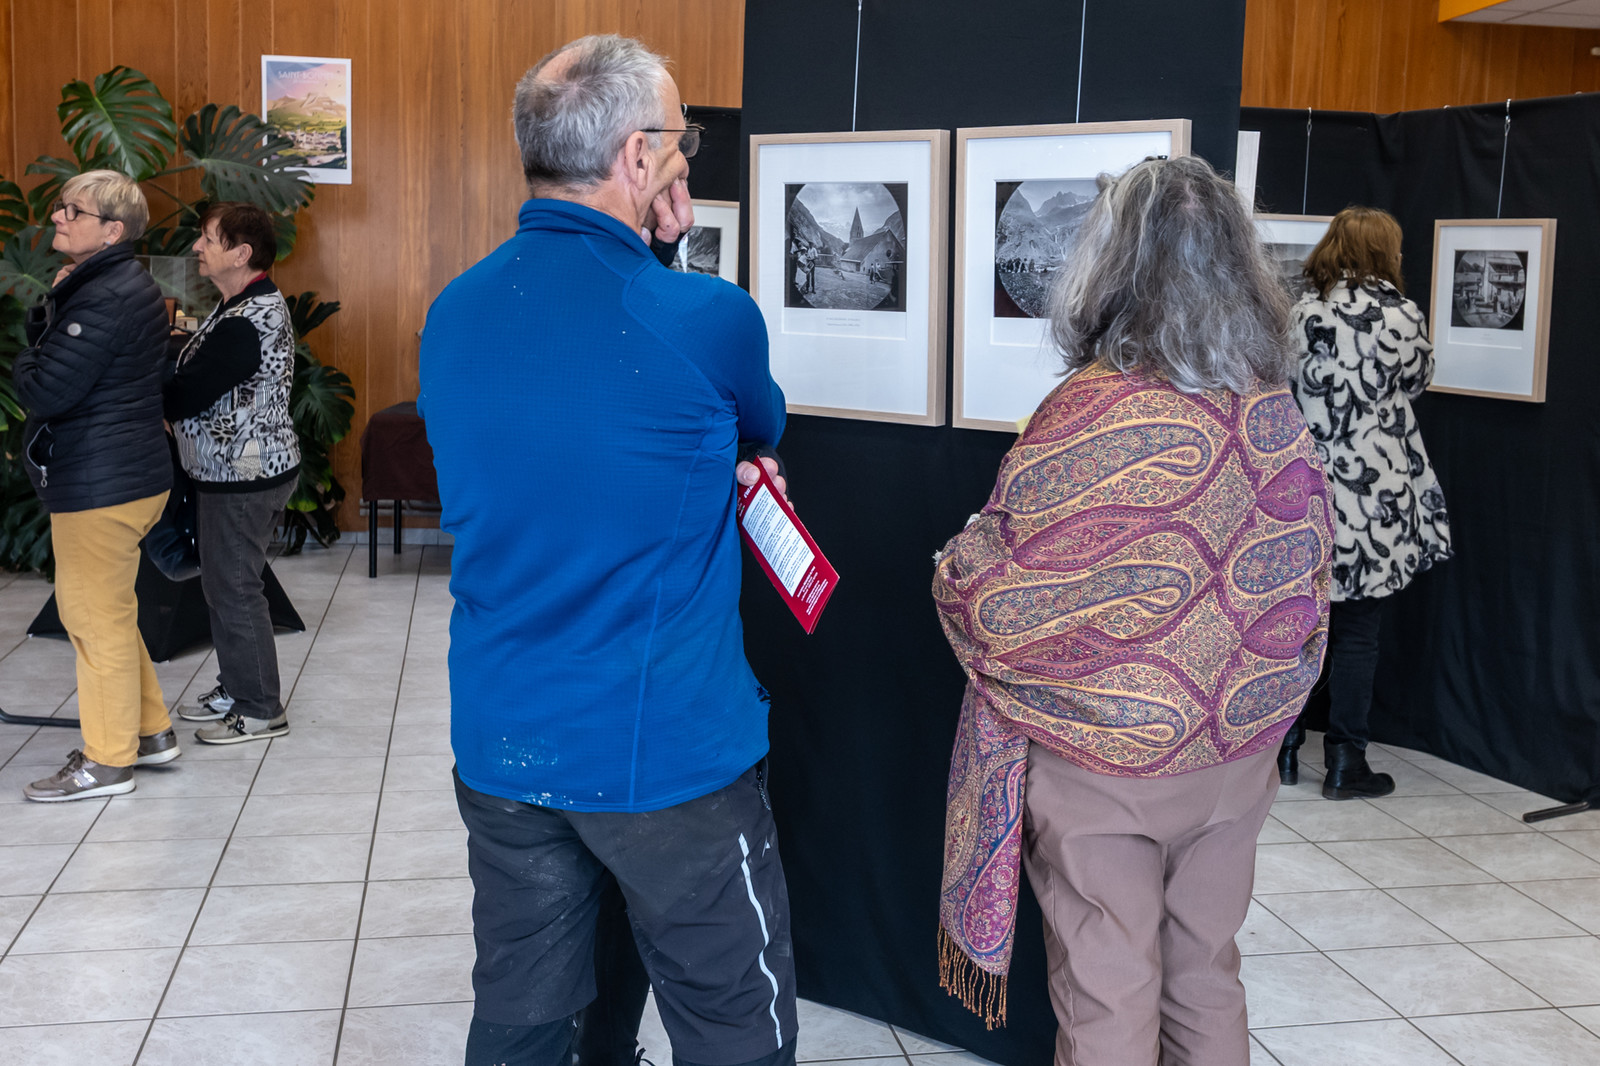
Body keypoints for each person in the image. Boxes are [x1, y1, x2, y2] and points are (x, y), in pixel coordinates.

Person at [417, 35, 796, 1066]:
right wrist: (667, 255)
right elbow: (758, 423)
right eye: (680, 142)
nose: (687, 161)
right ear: (638, 157)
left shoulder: (452, 314)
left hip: (503, 740)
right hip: (666, 753)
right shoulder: (708, 317)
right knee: (735, 1024)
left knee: (528, 1015)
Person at [932, 156, 1333, 1065]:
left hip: (1102, 761)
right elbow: (1311, 574)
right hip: (1237, 752)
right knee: (1205, 975)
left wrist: (955, 566)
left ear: (1110, 268)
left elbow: (1000, 600)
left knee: (1110, 993)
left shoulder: (1089, 409)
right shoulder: (1274, 410)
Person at [1277, 206, 1452, 799]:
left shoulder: (1298, 313)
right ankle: (1347, 761)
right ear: (1385, 252)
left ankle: (1283, 749)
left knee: (1296, 624)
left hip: (1302, 488)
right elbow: (1418, 382)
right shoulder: (1401, 315)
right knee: (1358, 630)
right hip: (1376, 493)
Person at [17, 170, 176, 801]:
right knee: (111, 611)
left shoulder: (102, 296)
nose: (57, 218)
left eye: (72, 211)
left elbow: (46, 388)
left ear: (112, 230)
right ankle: (151, 732)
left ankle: (107, 764)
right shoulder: (111, 284)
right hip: (123, 473)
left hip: (100, 481)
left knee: (90, 618)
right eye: (61, 208)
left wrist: (32, 342)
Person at [164, 202, 301, 744]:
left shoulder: (247, 320)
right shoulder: (240, 303)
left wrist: (149, 395)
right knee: (225, 585)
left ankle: (260, 707)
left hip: (243, 476)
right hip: (231, 471)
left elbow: (189, 390)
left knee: (235, 588)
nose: (198, 247)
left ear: (241, 254)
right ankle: (236, 685)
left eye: (209, 240)